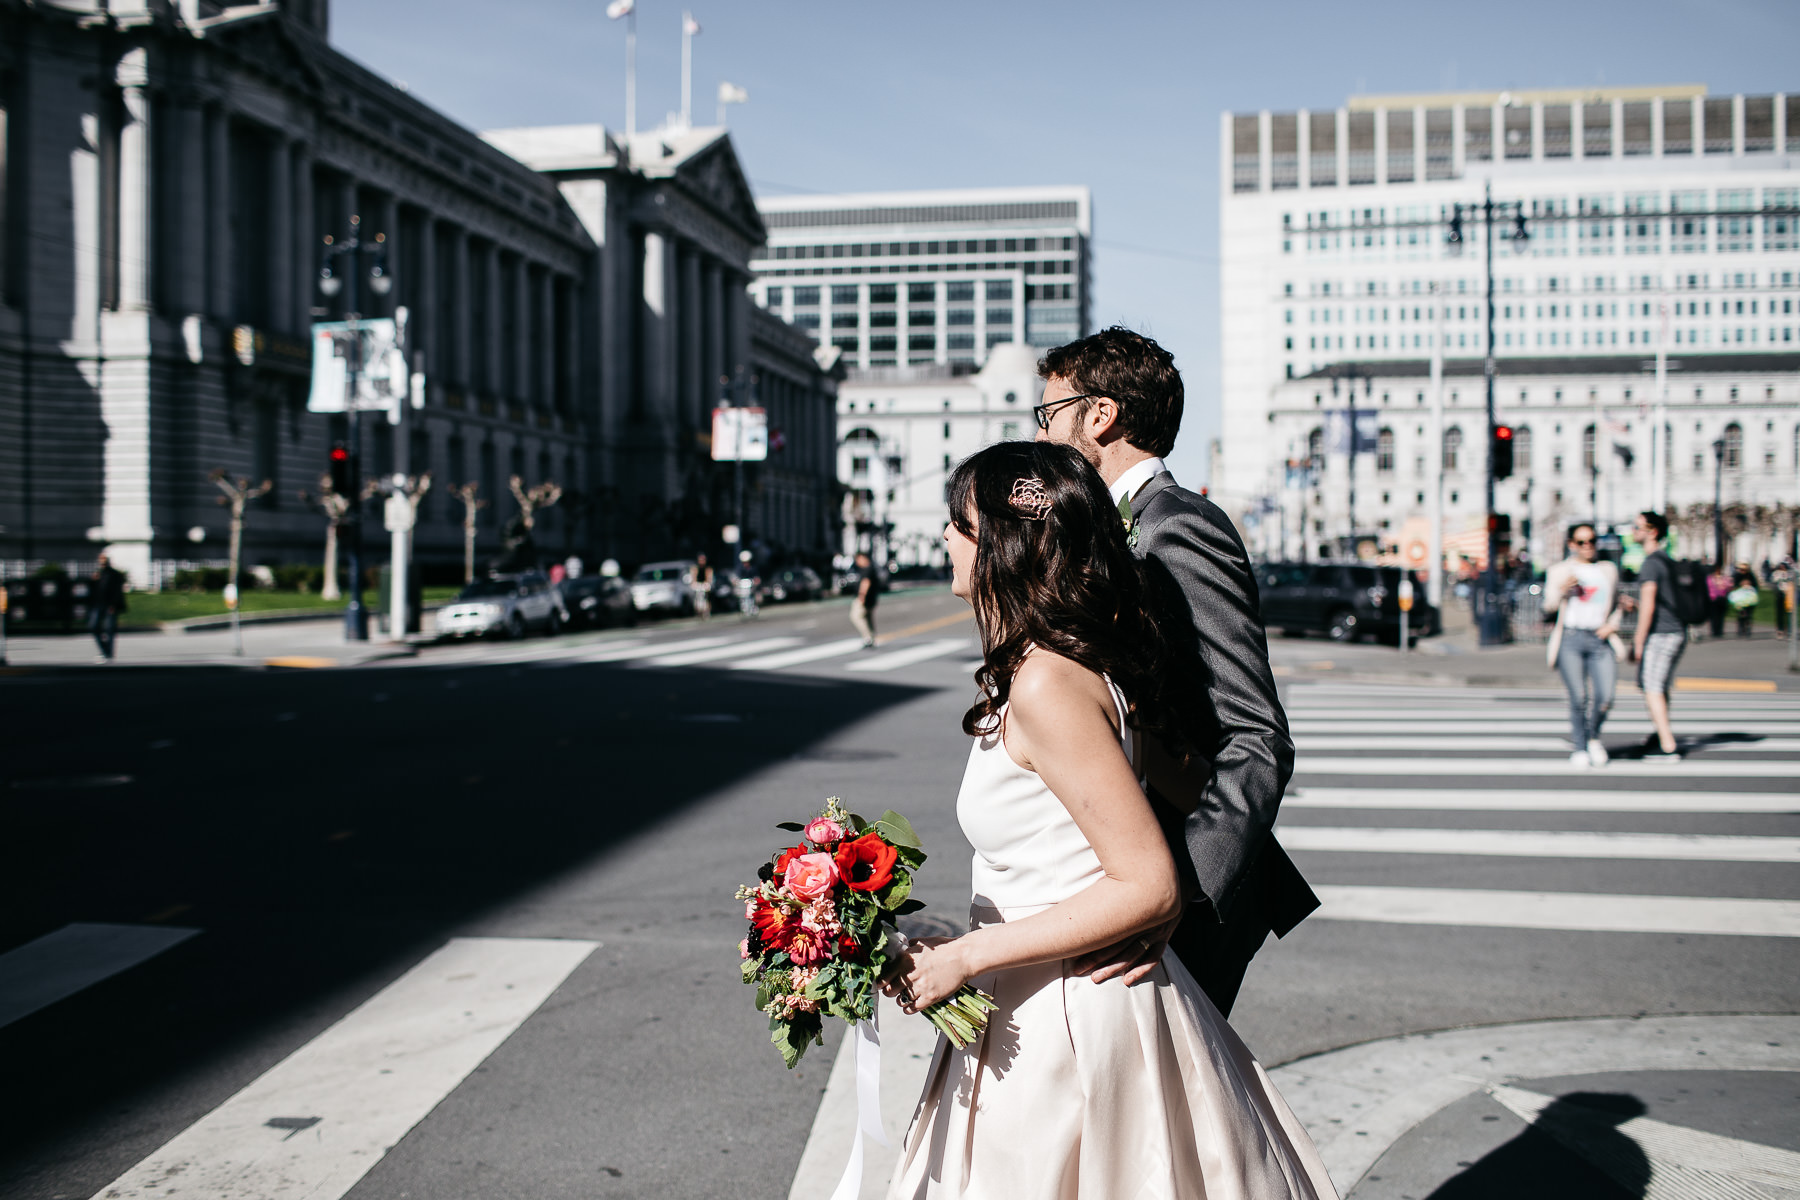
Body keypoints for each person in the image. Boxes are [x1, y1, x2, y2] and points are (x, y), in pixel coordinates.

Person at [882, 441, 1335, 1200]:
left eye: (959, 524)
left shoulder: (1047, 684)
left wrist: (968, 956)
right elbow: (1163, 795)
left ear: (1003, 545)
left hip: (1066, 1014)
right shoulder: (1059, 664)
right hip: (1037, 986)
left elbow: (1147, 883)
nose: (946, 538)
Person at [1034, 326, 1314, 1018]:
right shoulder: (1110, 527)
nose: (1041, 434)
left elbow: (1256, 735)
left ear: (1100, 415)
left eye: (1049, 413)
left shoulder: (1177, 526)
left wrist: (1180, 891)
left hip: (1179, 889)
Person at [1543, 523, 1621, 767]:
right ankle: (1580, 746)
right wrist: (1561, 590)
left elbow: (1617, 602)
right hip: (1571, 637)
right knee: (1578, 697)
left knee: (1606, 696)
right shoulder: (1560, 570)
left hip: (1600, 638)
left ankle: (1593, 737)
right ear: (1571, 545)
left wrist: (1612, 624)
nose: (1587, 546)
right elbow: (1548, 606)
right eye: (1581, 542)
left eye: (1591, 541)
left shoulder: (1607, 569)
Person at [1629, 511, 1684, 761]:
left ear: (1652, 532)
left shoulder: (1651, 563)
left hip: (1661, 633)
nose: (1633, 531)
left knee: (1652, 687)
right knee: (1659, 686)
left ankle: (1667, 745)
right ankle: (1659, 733)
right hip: (1675, 630)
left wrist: (1638, 641)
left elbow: (1649, 607)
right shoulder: (1666, 560)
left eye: (1637, 527)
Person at [89, 553, 127, 663]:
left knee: (109, 629)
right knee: (93, 626)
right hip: (98, 605)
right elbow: (92, 590)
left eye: (104, 562)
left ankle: (108, 654)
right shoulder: (98, 574)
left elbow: (117, 591)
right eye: (101, 562)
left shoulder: (114, 574)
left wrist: (114, 605)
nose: (102, 564)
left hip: (110, 606)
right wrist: (93, 581)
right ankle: (104, 650)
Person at [849, 551, 879, 648]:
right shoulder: (871, 568)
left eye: (858, 559)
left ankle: (867, 637)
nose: (857, 562)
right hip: (871, 598)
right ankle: (871, 637)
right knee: (868, 618)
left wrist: (861, 596)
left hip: (865, 598)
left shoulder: (867, 569)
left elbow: (866, 582)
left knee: (855, 617)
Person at [1730, 561, 1760, 638]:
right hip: (1740, 599)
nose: (1742, 571)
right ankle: (1741, 628)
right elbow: (1733, 586)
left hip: (1749, 599)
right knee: (1740, 614)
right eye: (1741, 569)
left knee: (1748, 615)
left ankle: (1748, 629)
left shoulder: (1751, 576)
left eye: (1744, 569)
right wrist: (1740, 584)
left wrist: (1749, 584)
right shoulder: (1737, 576)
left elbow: (1756, 586)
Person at [691, 554, 713, 620]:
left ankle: (707, 610)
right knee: (696, 598)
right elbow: (693, 577)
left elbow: (709, 578)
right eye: (700, 560)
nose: (701, 562)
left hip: (705, 584)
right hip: (698, 585)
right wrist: (694, 584)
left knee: (707, 597)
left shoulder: (708, 568)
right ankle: (698, 611)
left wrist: (707, 584)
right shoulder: (695, 568)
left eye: (703, 560)